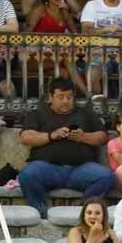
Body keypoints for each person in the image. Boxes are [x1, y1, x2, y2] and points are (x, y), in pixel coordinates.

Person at [17, 78, 113, 215]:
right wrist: (51, 136)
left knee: (106, 176)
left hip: (80, 169)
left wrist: (83, 137)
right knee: (27, 175)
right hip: (48, 168)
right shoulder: (38, 114)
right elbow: (25, 137)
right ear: (50, 97)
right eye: (60, 97)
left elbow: (103, 137)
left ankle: (82, 211)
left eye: (69, 97)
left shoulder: (85, 114)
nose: (65, 101)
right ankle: (42, 212)